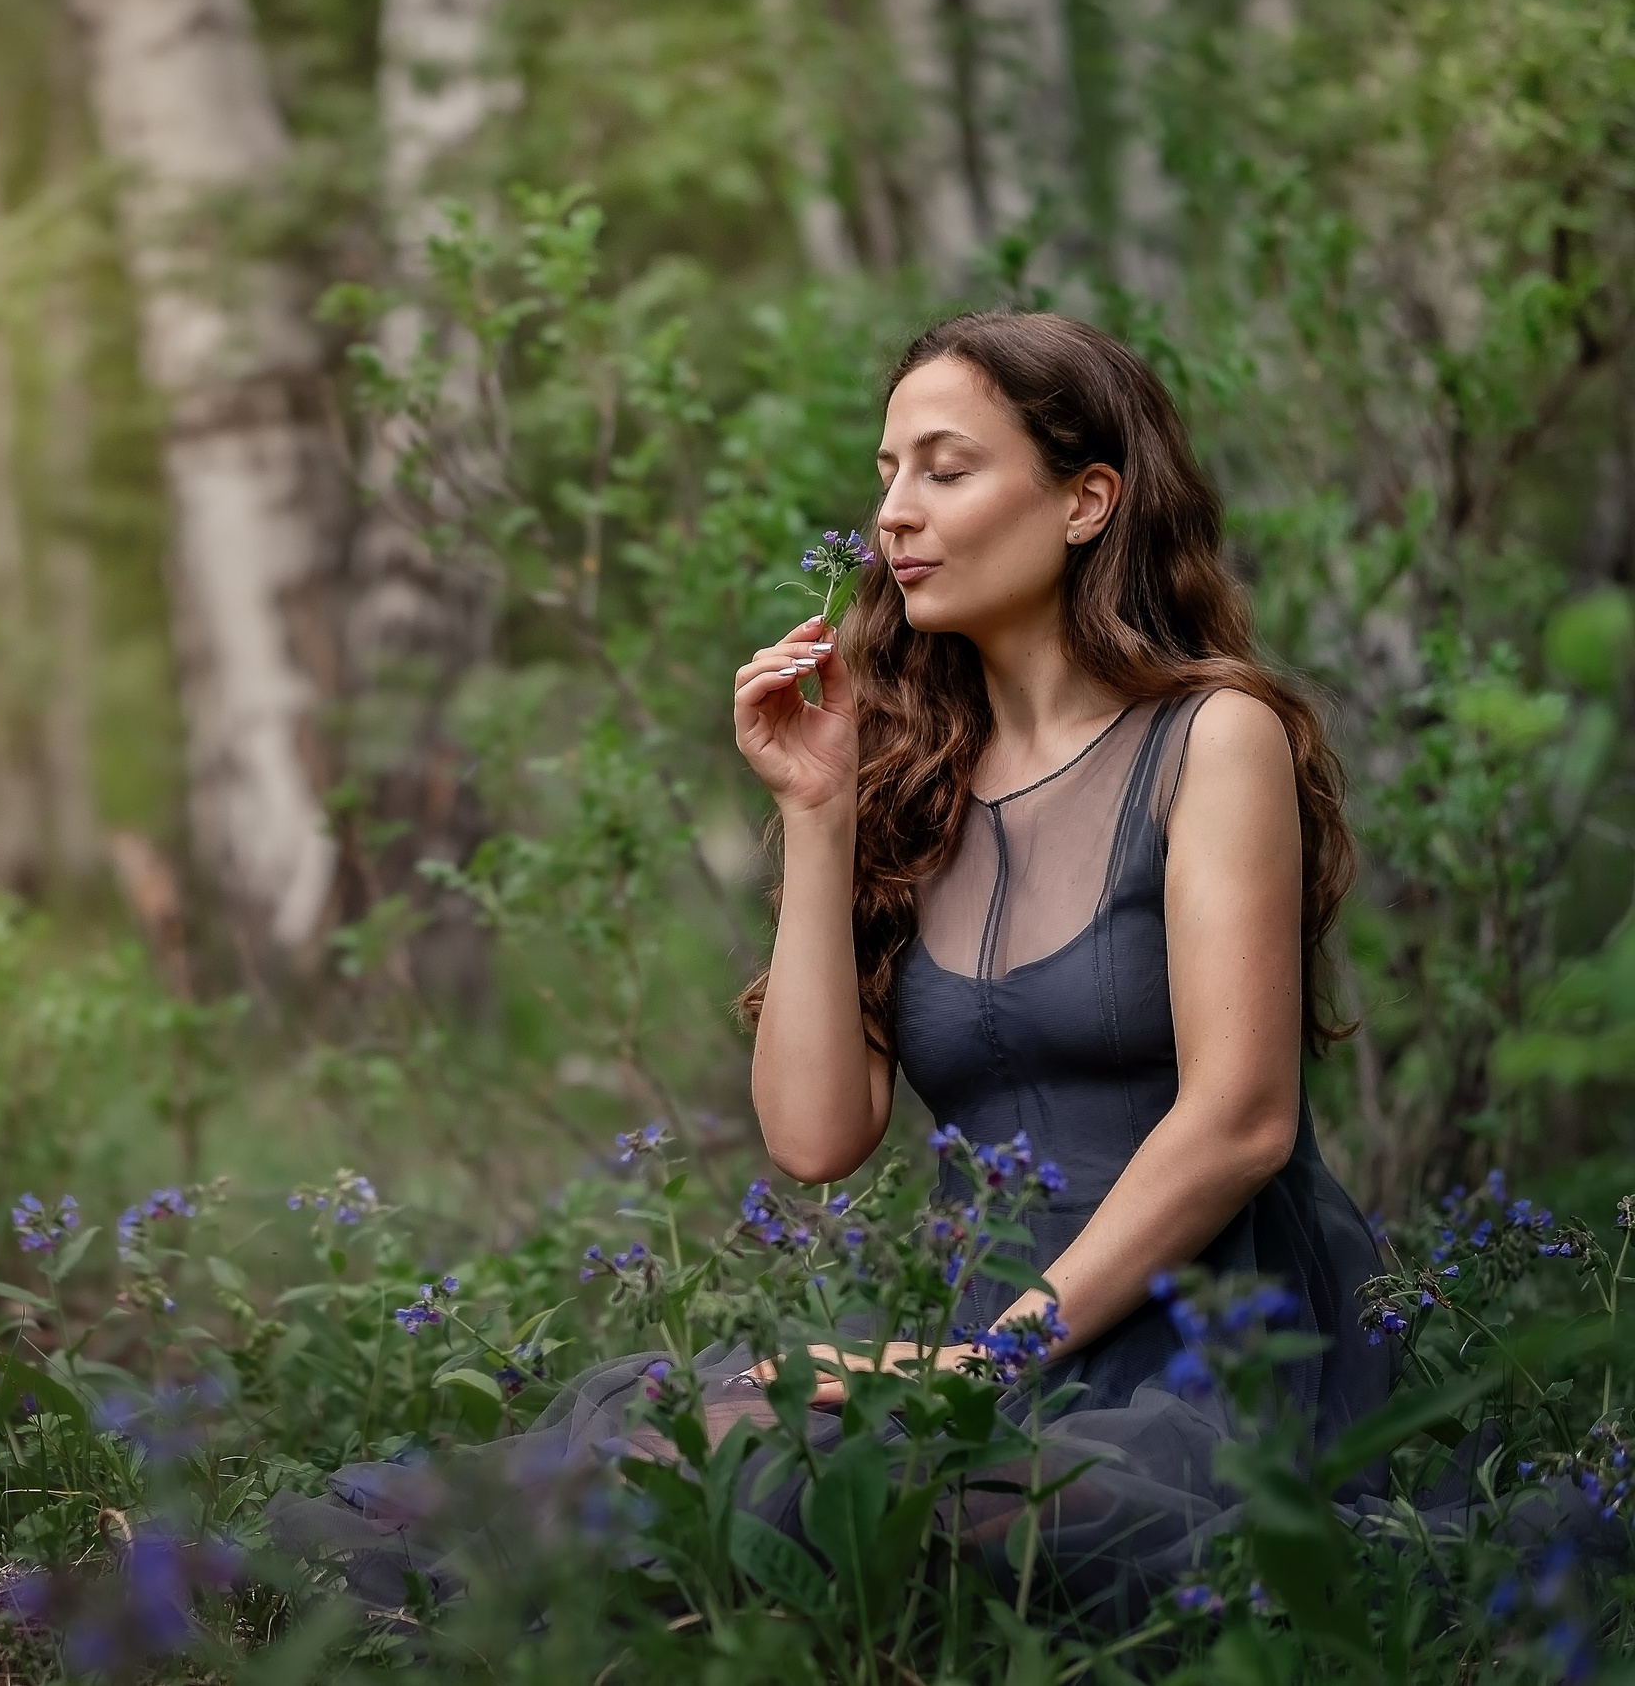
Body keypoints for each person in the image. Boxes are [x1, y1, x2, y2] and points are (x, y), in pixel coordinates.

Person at [268, 310, 1393, 1619]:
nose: (893, 516)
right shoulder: (915, 771)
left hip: (1200, 1352)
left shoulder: (1213, 738)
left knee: (804, 1496)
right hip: (963, 1338)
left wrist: (983, 1357)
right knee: (693, 1447)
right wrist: (819, 808)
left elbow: (1243, 1122)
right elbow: (815, 1137)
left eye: (945, 468)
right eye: (884, 474)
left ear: (1087, 501)